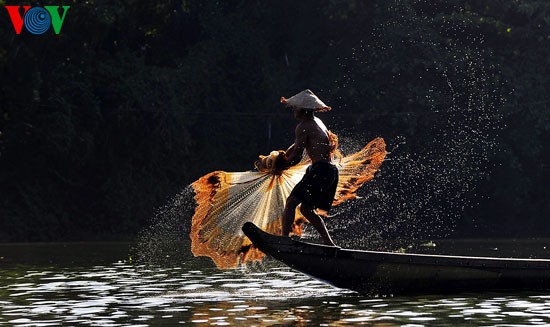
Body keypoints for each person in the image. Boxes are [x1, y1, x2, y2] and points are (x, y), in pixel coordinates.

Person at [278, 89, 339, 246]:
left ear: (303, 110)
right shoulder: (317, 122)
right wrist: (284, 155)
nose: (293, 111)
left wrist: (282, 165)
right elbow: (297, 145)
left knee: (291, 202)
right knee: (306, 209)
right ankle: (329, 243)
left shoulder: (303, 126)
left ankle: (285, 240)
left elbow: (297, 156)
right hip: (330, 171)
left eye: (295, 108)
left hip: (320, 170)